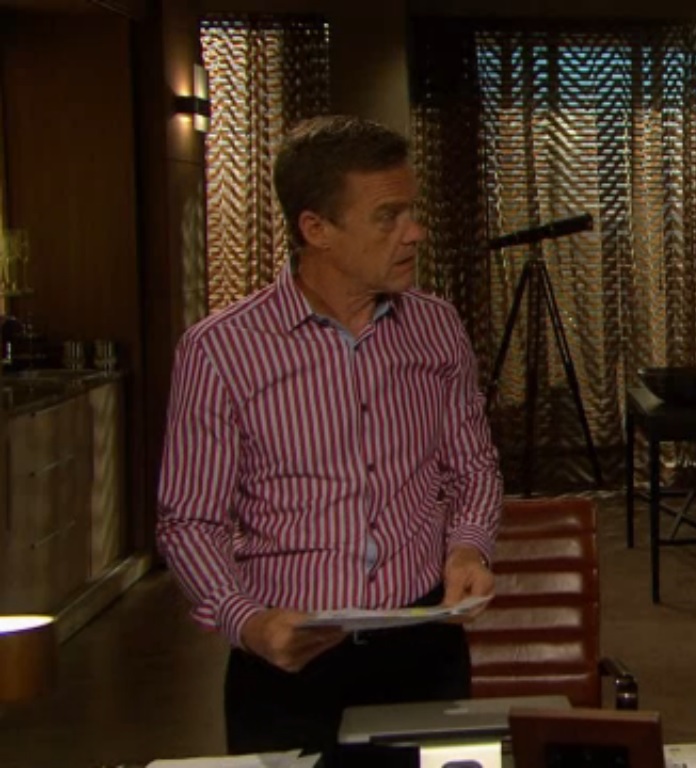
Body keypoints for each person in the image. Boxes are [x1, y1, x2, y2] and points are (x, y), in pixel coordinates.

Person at [157, 115, 503, 759]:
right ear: (315, 229)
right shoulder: (219, 350)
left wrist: (468, 549)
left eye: (413, 211)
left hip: (423, 653)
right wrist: (247, 622)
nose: (415, 232)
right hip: (286, 664)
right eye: (388, 217)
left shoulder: (437, 328)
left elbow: (473, 467)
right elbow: (190, 521)